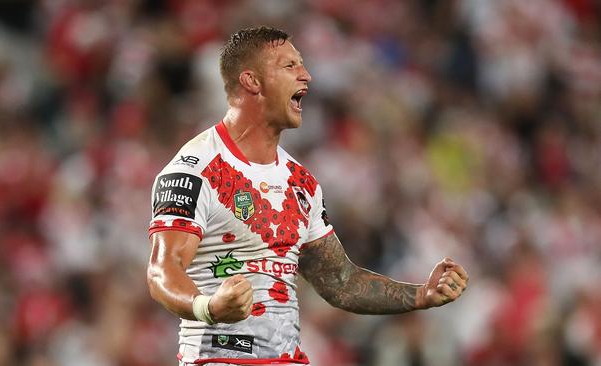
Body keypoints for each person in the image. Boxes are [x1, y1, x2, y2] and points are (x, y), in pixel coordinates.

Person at [146, 26, 468, 366]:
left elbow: (340, 282)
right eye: (289, 66)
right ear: (251, 81)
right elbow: (161, 271)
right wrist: (207, 308)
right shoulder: (194, 170)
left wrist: (420, 294)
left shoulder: (301, 182)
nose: (307, 76)